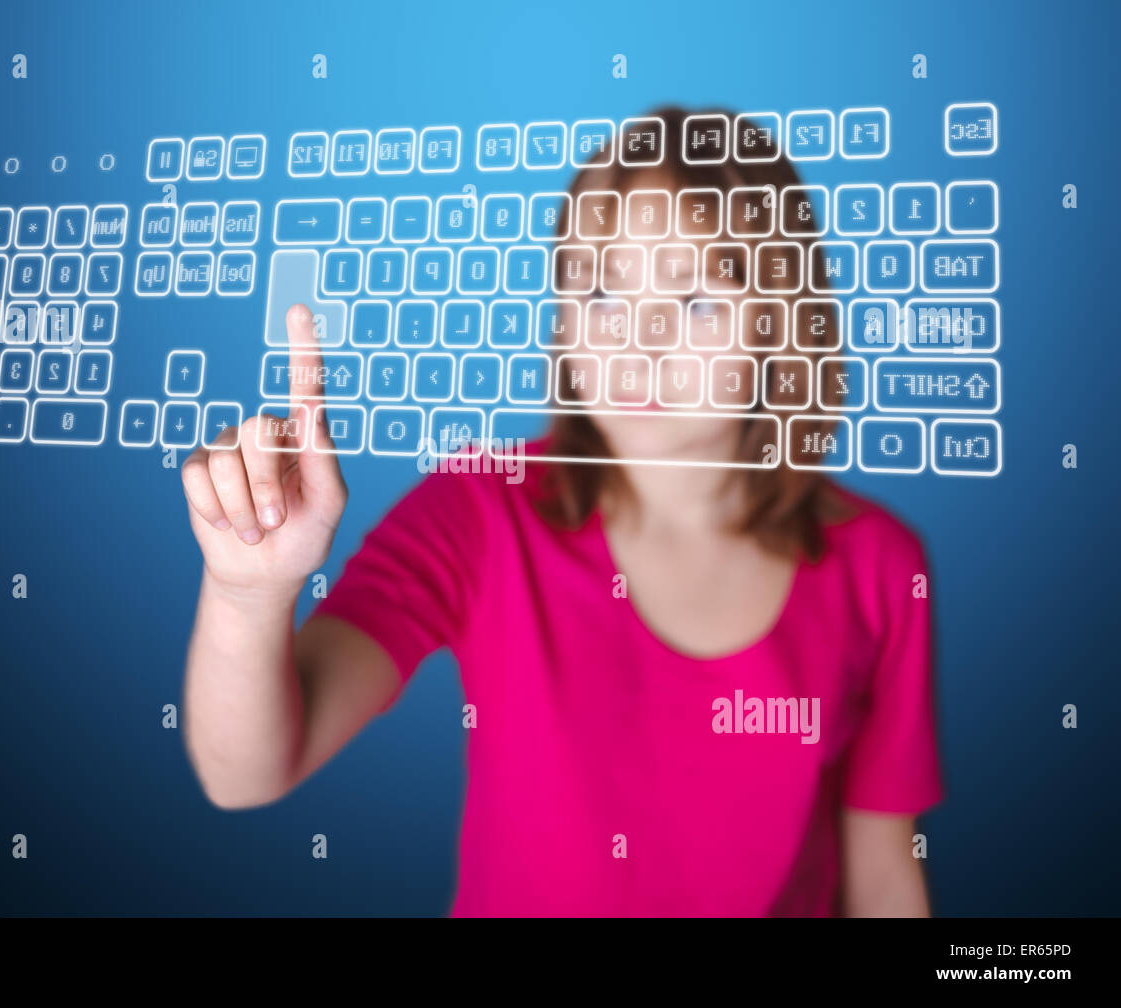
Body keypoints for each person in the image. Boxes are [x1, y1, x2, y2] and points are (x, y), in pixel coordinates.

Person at [178, 107, 943, 916]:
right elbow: (249, 772)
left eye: (696, 302)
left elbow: (883, 871)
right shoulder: (481, 509)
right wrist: (246, 592)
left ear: (781, 324)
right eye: (604, 292)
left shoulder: (881, 566)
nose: (638, 345)